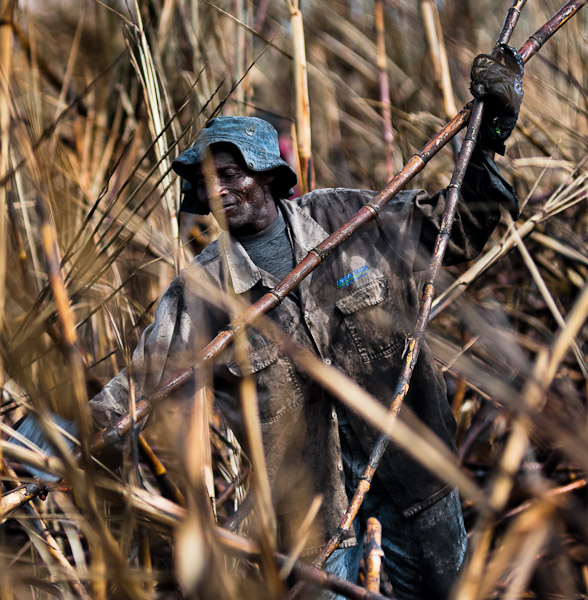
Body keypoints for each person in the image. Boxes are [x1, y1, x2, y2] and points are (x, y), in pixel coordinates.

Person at [85, 47, 524, 599]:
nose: (217, 188)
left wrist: (488, 137)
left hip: (418, 472)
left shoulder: (352, 218)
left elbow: (456, 228)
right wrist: (57, 443)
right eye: (205, 180)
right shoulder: (200, 292)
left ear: (268, 176)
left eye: (230, 174)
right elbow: (143, 384)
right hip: (317, 519)